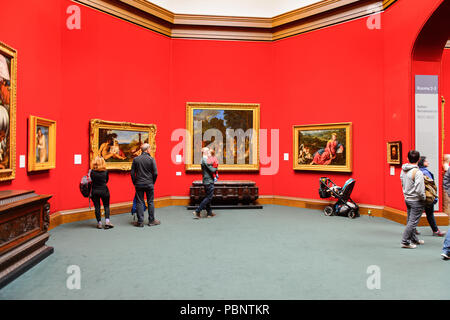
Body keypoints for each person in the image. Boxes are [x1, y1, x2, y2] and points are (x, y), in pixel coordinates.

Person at [400, 150, 426, 249]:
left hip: (407, 199)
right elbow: (419, 189)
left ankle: (413, 239)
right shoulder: (417, 172)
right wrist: (423, 198)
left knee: (410, 220)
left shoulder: (403, 170)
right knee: (413, 222)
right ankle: (405, 241)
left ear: (407, 159)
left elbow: (402, 184)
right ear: (419, 159)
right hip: (416, 200)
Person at [131, 143, 159, 227]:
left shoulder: (136, 159)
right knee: (150, 202)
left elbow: (132, 173)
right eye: (150, 148)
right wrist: (152, 182)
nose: (150, 150)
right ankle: (151, 220)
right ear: (147, 150)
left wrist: (134, 182)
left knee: (139, 202)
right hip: (149, 183)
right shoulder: (151, 159)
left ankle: (140, 222)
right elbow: (156, 173)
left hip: (139, 184)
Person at [418, 156, 445, 236]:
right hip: (428, 196)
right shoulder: (425, 172)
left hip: (419, 196)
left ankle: (413, 230)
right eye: (426, 161)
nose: (428, 162)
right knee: (429, 214)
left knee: (416, 214)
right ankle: (435, 230)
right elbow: (431, 186)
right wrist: (435, 197)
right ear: (422, 163)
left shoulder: (418, 171)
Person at [193, 147, 217, 219]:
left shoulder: (204, 159)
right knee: (209, 197)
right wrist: (216, 167)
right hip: (208, 181)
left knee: (207, 196)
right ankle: (198, 210)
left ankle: (209, 213)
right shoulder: (205, 159)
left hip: (207, 180)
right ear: (205, 152)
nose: (209, 152)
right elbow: (212, 170)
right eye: (208, 151)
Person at [90, 156, 113, 229]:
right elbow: (106, 181)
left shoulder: (92, 172)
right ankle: (107, 222)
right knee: (106, 206)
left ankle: (99, 223)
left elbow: (91, 180)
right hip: (104, 190)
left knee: (97, 207)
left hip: (95, 191)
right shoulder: (105, 171)